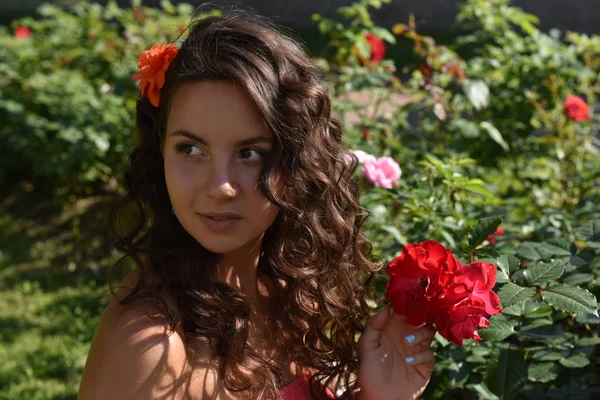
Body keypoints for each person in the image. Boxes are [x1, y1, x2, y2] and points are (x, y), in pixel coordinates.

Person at [78, 9, 436, 400]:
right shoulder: (152, 351)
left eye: (250, 153)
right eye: (191, 149)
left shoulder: (284, 285)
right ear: (160, 149)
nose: (221, 187)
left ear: (297, 161)